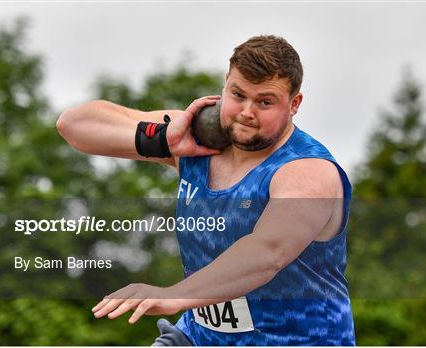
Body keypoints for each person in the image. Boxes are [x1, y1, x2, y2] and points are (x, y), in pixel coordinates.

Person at [57, 35, 355, 346]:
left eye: (265, 102)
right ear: (225, 84)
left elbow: (268, 252)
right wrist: (161, 139)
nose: (246, 112)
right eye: (238, 94)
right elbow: (73, 125)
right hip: (198, 338)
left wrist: (175, 296)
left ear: (294, 104)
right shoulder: (195, 139)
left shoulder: (307, 172)